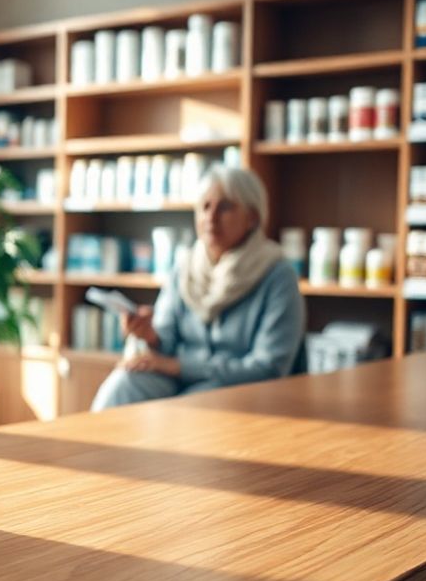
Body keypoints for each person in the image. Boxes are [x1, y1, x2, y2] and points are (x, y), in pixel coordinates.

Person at [91, 166, 304, 411]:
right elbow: (166, 340)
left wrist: (179, 366)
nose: (210, 218)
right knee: (124, 383)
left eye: (225, 207)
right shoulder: (185, 267)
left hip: (237, 386)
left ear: (253, 217)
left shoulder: (278, 275)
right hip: (176, 377)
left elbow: (270, 367)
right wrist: (150, 335)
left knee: (189, 408)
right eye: (205, 207)